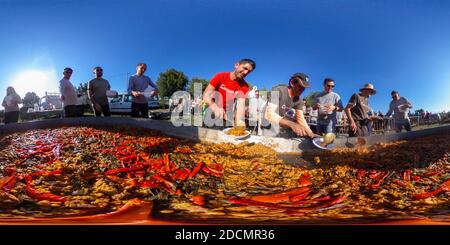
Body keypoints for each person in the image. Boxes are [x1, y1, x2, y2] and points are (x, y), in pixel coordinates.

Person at [202, 58, 255, 127]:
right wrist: (215, 107)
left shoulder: (244, 87)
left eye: (249, 71)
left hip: (226, 114)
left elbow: (240, 107)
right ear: (236, 65)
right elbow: (206, 95)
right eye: (245, 68)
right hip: (211, 108)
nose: (245, 72)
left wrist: (239, 123)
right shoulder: (220, 76)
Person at [261, 72, 314, 138]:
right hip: (267, 121)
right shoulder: (278, 90)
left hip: (278, 121)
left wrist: (310, 133)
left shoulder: (299, 100)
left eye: (304, 87)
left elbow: (300, 118)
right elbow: (269, 115)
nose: (302, 90)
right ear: (292, 83)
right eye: (300, 86)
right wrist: (291, 124)